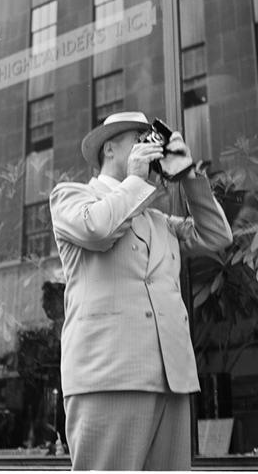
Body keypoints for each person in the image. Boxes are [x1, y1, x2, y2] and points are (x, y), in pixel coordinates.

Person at [49, 111, 233, 470]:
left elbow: (216, 236)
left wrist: (189, 177)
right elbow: (98, 229)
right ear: (109, 149)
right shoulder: (71, 196)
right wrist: (135, 179)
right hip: (108, 377)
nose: (149, 147)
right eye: (138, 140)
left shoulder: (158, 220)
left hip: (171, 379)